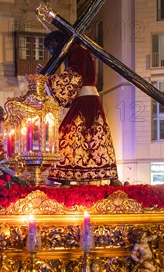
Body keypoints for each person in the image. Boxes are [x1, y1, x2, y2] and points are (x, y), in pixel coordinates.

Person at [43, 31, 121, 186]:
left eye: (51, 47)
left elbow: (76, 76)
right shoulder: (77, 50)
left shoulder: (77, 50)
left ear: (57, 42)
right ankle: (104, 176)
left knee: (69, 132)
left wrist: (50, 80)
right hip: (86, 99)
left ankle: (67, 176)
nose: (52, 52)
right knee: (89, 135)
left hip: (86, 100)